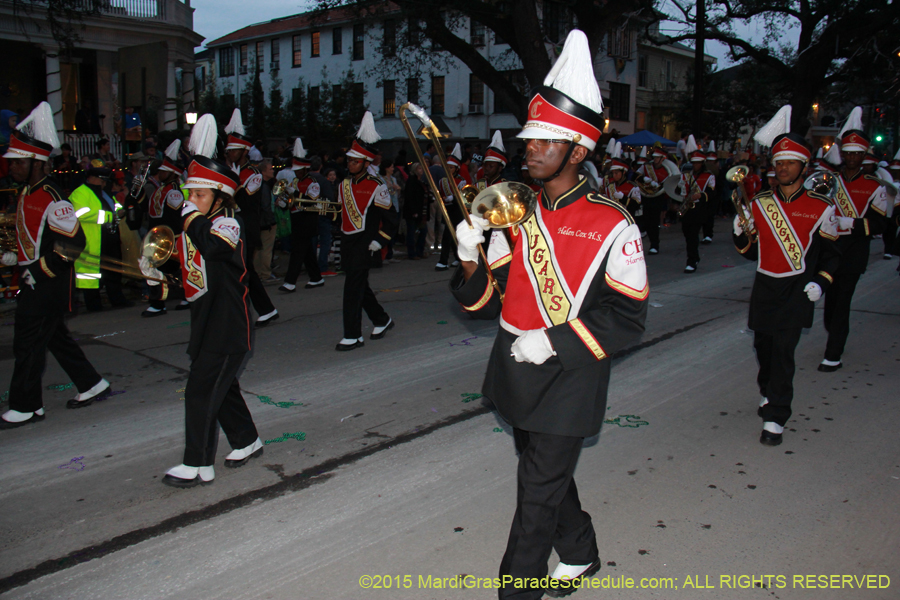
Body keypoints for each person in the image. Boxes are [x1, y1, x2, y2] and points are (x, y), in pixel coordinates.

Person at [450, 30, 647, 599]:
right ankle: (581, 553)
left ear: (578, 151)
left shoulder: (615, 224)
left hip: (570, 372)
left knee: (534, 495)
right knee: (547, 476)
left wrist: (554, 342)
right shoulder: (514, 211)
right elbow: (486, 302)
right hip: (515, 364)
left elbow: (628, 317)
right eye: (528, 138)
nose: (529, 148)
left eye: (545, 140)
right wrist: (468, 258)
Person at [155, 113, 263, 487]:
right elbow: (193, 269)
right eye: (189, 193)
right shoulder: (200, 223)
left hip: (229, 323)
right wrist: (160, 269)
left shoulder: (228, 222)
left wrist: (188, 219)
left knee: (201, 390)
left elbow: (215, 249)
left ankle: (198, 464)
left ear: (220, 196)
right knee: (223, 386)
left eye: (199, 194)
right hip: (206, 319)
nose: (190, 200)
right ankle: (247, 440)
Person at [733, 105, 840, 446]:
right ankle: (768, 390)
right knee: (763, 347)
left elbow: (832, 254)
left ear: (803, 167)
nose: (782, 168)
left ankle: (776, 417)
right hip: (765, 285)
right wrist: (740, 232)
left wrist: (820, 281)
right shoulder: (760, 202)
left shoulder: (822, 207)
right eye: (778, 163)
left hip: (797, 288)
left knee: (783, 351)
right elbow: (751, 252)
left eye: (790, 162)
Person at [1, 102, 111, 429]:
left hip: (48, 284)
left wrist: (36, 269)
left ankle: (26, 405)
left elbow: (73, 245)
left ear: (35, 163)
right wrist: (13, 259)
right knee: (53, 338)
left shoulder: (53, 198)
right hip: (35, 280)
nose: (11, 168)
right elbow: (31, 238)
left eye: (17, 163)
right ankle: (92, 384)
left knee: (28, 342)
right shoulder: (26, 192)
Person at [818, 107, 891, 372]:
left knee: (842, 302)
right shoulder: (829, 180)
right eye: (848, 153)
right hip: (828, 248)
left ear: (864, 156)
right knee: (830, 303)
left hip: (854, 251)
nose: (852, 158)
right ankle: (835, 335)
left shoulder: (875, 186)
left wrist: (851, 223)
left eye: (857, 154)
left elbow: (881, 223)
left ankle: (833, 354)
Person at [335, 111, 397, 351]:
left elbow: (391, 217)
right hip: (348, 241)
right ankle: (381, 319)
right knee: (359, 286)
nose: (350, 164)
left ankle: (353, 335)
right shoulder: (343, 185)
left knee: (352, 288)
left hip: (366, 243)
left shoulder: (377, 186)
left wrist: (381, 240)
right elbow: (340, 214)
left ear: (366, 163)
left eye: (355, 161)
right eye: (349, 160)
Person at [223, 109, 279, 327]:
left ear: (244, 151)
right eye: (229, 150)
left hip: (246, 227)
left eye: (235, 150)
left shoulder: (253, 175)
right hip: (231, 226)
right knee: (244, 270)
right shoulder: (229, 170)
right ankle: (266, 309)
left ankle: (257, 310)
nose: (230, 153)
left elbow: (244, 202)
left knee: (243, 269)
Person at [132, 139, 188, 317]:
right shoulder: (160, 189)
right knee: (154, 268)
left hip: (171, 237)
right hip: (158, 236)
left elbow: (175, 216)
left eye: (164, 171)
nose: (160, 173)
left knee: (173, 269)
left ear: (172, 174)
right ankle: (159, 301)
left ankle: (174, 298)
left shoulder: (173, 192)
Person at [69, 157, 132, 310]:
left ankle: (117, 300)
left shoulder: (104, 193)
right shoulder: (80, 193)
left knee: (113, 272)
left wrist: (121, 211)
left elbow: (114, 207)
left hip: (109, 238)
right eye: (102, 179)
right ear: (93, 178)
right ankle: (93, 305)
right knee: (91, 276)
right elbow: (81, 214)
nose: (105, 183)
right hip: (92, 241)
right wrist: (110, 216)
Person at [278, 138, 325, 292]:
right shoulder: (293, 182)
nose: (296, 172)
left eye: (299, 169)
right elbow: (288, 199)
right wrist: (283, 202)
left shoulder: (313, 182)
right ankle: (316, 278)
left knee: (298, 251)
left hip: (308, 219)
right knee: (307, 253)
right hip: (296, 218)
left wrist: (296, 194)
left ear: (305, 169)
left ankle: (290, 282)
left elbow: (311, 201)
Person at [678, 135, 714, 273]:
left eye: (698, 162)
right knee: (687, 234)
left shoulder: (709, 176)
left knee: (693, 235)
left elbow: (712, 193)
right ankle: (695, 256)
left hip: (699, 208)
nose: (695, 165)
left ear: (702, 163)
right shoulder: (686, 175)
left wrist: (701, 195)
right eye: (694, 162)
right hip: (687, 208)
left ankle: (691, 261)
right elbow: (678, 191)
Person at [637, 144, 678, 254]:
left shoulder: (666, 170)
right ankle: (651, 242)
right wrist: (645, 179)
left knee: (654, 221)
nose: (655, 159)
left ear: (662, 159)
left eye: (657, 157)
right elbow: (635, 175)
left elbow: (672, 182)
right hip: (646, 196)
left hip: (658, 197)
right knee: (647, 220)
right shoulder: (646, 167)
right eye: (654, 157)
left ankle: (654, 245)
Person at [435, 144, 464, 271]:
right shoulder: (443, 181)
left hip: (458, 211)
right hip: (448, 210)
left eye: (451, 167)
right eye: (447, 167)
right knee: (450, 235)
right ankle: (457, 257)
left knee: (450, 235)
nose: (449, 169)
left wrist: (455, 198)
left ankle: (443, 260)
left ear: (456, 169)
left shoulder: (462, 181)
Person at [602, 140, 642, 220]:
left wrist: (624, 198)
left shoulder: (632, 187)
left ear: (623, 172)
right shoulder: (610, 186)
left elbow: (637, 205)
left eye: (616, 173)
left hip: (626, 220)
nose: (614, 175)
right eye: (613, 173)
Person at [256, 158, 279, 282]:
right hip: (266, 222)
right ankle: (265, 274)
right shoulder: (264, 187)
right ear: (264, 171)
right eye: (270, 169)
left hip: (260, 221)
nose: (273, 171)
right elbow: (265, 205)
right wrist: (271, 221)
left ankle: (259, 272)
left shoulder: (259, 185)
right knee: (266, 249)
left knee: (259, 249)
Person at [402, 162, 428, 260]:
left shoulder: (421, 181)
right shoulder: (411, 181)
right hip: (413, 211)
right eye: (419, 169)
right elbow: (409, 196)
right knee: (412, 233)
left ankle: (419, 251)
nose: (421, 171)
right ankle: (412, 253)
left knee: (423, 231)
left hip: (421, 210)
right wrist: (413, 210)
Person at [701, 141, 720, 244]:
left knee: (709, 216)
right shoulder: (702, 172)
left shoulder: (719, 173)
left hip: (713, 197)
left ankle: (708, 234)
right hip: (703, 195)